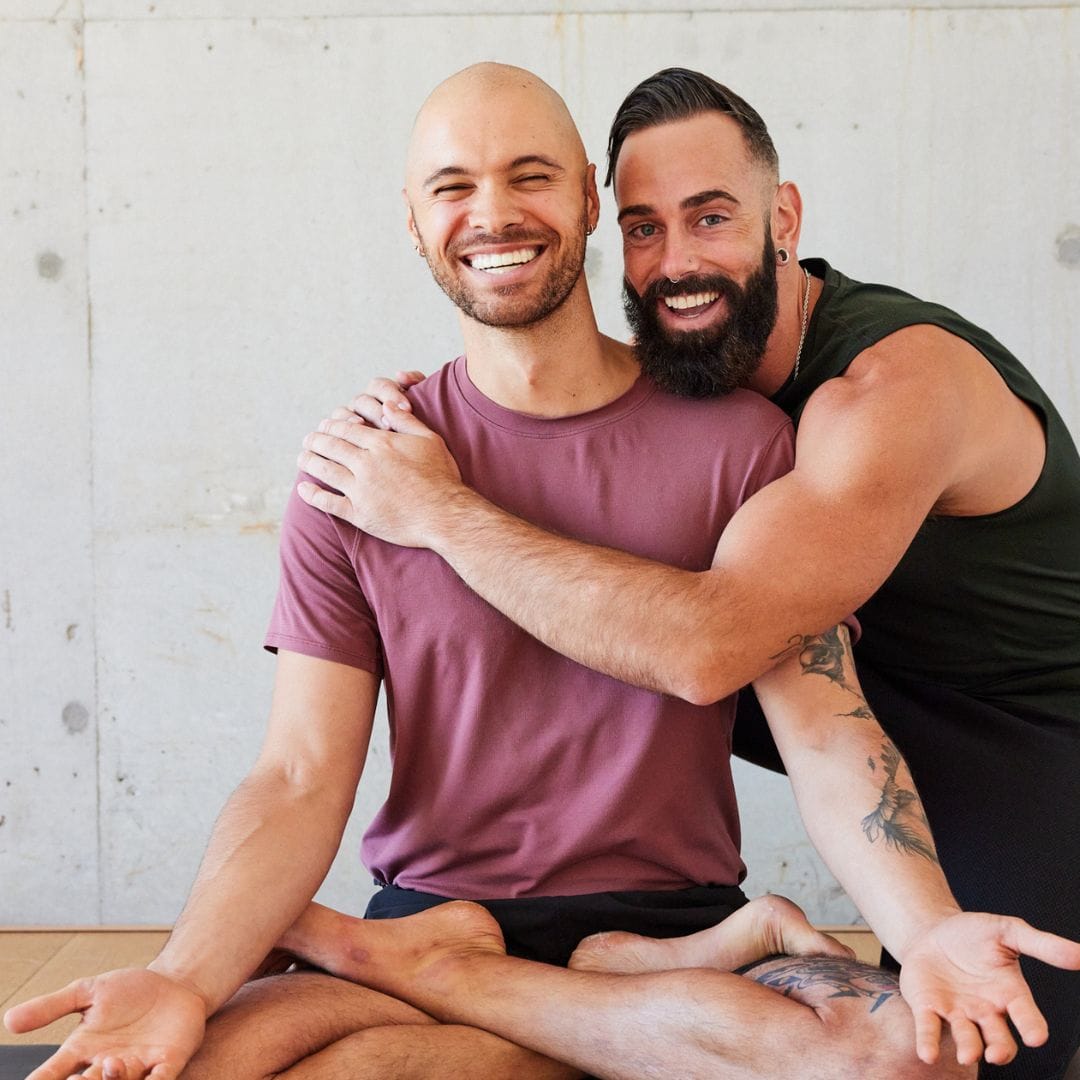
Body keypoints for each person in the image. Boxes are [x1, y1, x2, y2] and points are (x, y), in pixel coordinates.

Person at [6, 63, 1078, 1080]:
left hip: (678, 918)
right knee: (189, 1056)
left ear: (582, 201)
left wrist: (926, 929)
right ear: (415, 221)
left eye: (529, 175)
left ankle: (441, 987)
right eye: (452, 186)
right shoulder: (360, 464)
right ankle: (570, 1009)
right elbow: (296, 774)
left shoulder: (746, 444)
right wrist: (181, 978)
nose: (494, 211)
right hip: (437, 904)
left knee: (909, 1055)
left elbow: (823, 725)